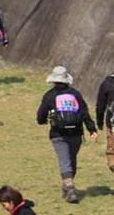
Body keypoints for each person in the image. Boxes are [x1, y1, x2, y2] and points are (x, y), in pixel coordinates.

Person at [35, 65, 99, 203]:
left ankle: (69, 188)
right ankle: (68, 185)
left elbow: (40, 116)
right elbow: (84, 113)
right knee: (71, 159)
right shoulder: (75, 94)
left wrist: (42, 121)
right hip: (76, 133)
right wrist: (92, 129)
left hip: (58, 134)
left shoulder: (49, 96)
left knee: (65, 160)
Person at [97, 69, 114, 172]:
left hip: (111, 121)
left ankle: (112, 164)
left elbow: (100, 105)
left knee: (112, 148)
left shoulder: (107, 84)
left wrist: (99, 122)